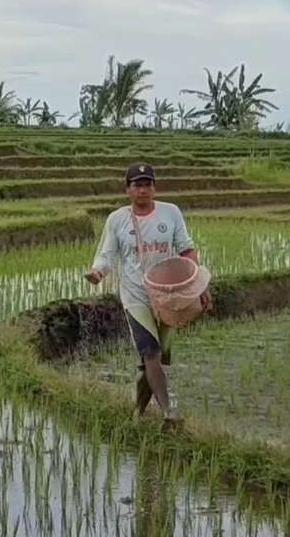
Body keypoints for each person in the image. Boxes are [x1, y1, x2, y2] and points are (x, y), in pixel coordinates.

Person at [85, 163, 210, 423]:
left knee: (152, 360)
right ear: (127, 189)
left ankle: (137, 414)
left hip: (167, 295)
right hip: (135, 295)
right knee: (151, 351)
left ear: (155, 187)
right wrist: (98, 272)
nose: (143, 190)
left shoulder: (170, 212)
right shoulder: (117, 219)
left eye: (147, 184)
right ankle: (168, 412)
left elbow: (186, 249)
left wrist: (200, 284)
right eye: (137, 185)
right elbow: (106, 255)